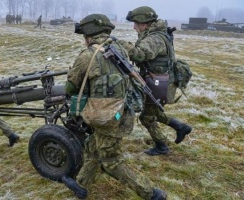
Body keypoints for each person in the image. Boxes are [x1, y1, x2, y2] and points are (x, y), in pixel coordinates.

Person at [62, 14, 167, 200]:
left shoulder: (87, 56)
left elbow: (71, 87)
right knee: (93, 147)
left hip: (105, 116)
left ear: (88, 35)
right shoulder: (120, 47)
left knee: (111, 162)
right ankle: (81, 185)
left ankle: (151, 194)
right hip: (122, 112)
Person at [117, 6, 192, 156]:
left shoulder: (154, 38)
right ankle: (180, 127)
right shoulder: (155, 34)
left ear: (144, 24)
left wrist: (118, 44)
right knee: (155, 112)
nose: (133, 27)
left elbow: (139, 54)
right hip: (158, 80)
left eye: (135, 24)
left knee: (147, 117)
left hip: (159, 83)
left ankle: (162, 146)